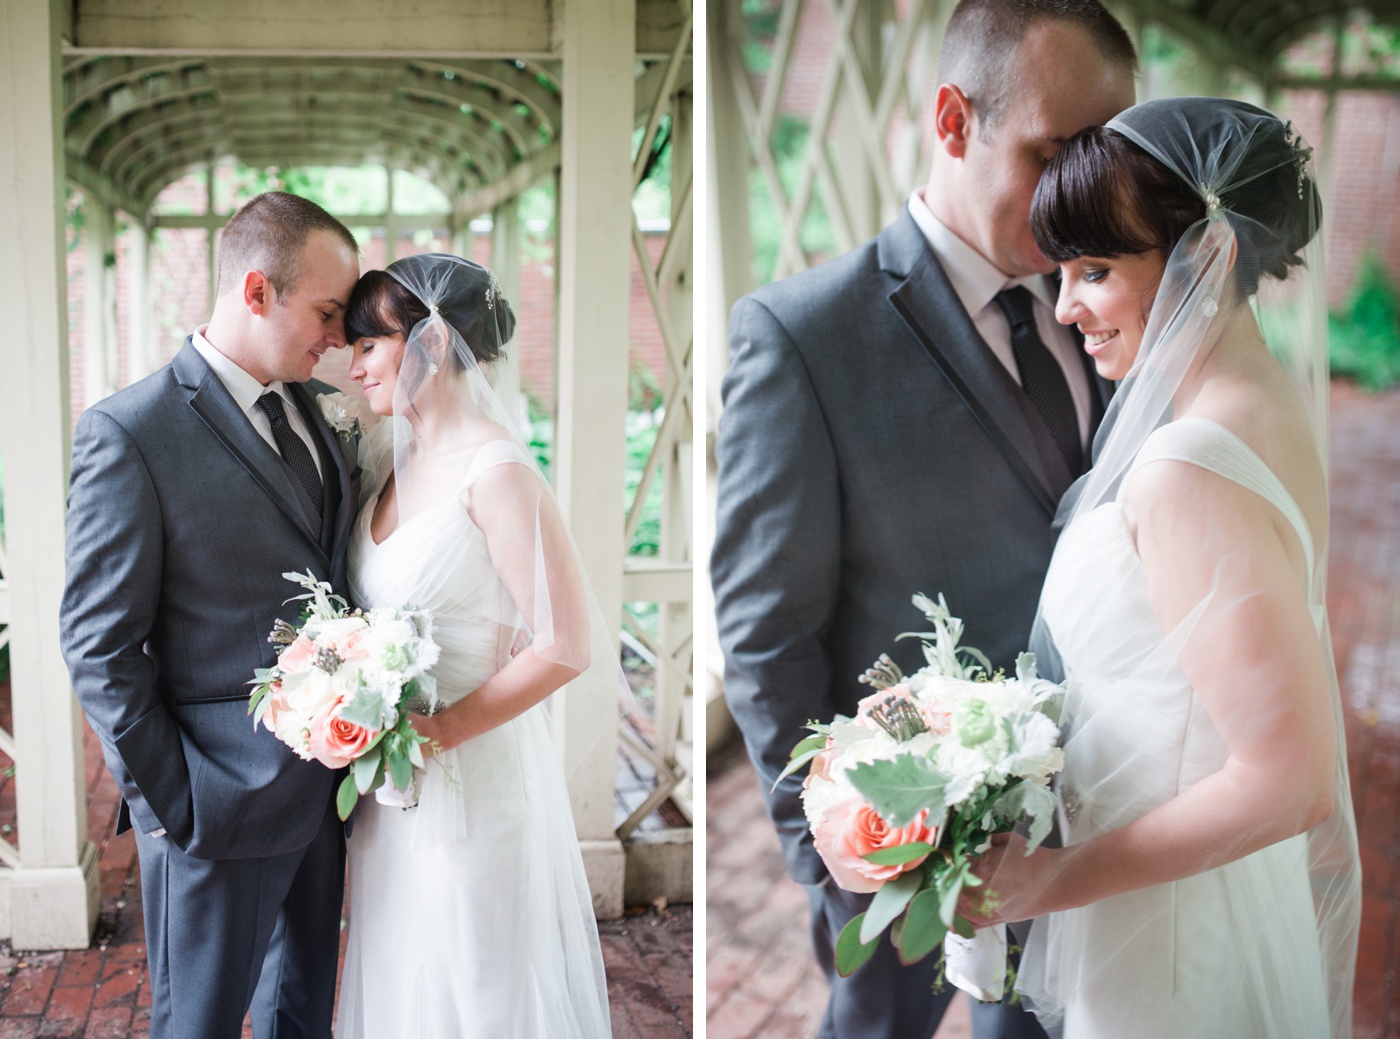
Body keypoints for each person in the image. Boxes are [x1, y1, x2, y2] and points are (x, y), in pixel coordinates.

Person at [711, 1, 1136, 1035]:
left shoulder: (1115, 308)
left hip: (1098, 824)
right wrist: (836, 859)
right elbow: (765, 630)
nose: (1089, 191)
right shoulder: (803, 337)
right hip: (905, 842)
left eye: (1107, 156)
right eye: (1054, 151)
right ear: (952, 121)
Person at [961, 97, 1362, 1038]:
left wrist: (1052, 878)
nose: (1065, 308)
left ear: (1210, 255)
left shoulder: (1186, 467)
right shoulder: (1262, 406)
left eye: (1094, 270)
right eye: (1062, 272)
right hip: (1202, 897)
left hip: (1168, 942)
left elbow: (1288, 777)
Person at [61, 191, 362, 1038]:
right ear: (258, 291)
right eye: (327, 311)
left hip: (323, 796)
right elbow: (98, 643)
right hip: (212, 806)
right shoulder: (130, 432)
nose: (337, 337)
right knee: (195, 1024)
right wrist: (177, 804)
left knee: (301, 1014)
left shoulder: (316, 414)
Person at [333, 253, 613, 1038]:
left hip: (471, 777)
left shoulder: (497, 472)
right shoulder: (389, 460)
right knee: (401, 974)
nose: (354, 368)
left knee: (475, 982)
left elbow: (565, 643)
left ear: (431, 343)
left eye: (368, 345)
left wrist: (443, 730)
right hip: (393, 792)